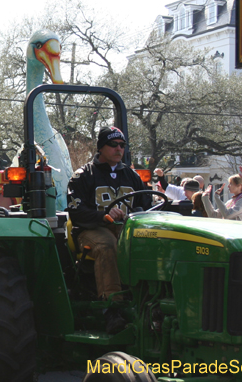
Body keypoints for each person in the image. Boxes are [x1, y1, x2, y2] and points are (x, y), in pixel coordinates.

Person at [66, 126, 150, 334]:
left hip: (126, 229)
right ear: (101, 147)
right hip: (90, 229)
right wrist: (102, 216)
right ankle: (111, 307)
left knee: (150, 242)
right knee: (108, 245)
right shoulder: (83, 175)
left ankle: (148, 302)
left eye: (122, 145)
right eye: (113, 145)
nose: (118, 149)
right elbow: (76, 211)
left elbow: (145, 204)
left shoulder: (131, 176)